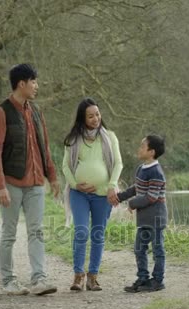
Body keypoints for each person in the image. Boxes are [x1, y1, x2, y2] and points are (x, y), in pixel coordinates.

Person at [0, 63, 60, 296]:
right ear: (22, 83)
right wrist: (0, 187)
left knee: (36, 231)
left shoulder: (36, 111)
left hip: (36, 182)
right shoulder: (1, 113)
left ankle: (39, 279)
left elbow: (44, 147)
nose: (37, 86)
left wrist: (53, 176)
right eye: (34, 81)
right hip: (12, 183)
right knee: (9, 233)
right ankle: (8, 281)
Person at [62, 97, 123, 291]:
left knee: (97, 234)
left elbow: (118, 163)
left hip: (103, 194)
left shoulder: (110, 137)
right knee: (81, 231)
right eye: (90, 116)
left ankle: (93, 277)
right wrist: (75, 185)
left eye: (97, 114)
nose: (95, 118)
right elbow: (65, 165)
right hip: (78, 193)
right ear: (83, 118)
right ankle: (78, 275)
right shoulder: (73, 139)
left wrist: (112, 185)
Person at [117, 135, 167, 292]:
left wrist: (132, 204)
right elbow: (136, 188)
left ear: (151, 152)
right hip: (144, 219)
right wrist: (120, 197)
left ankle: (157, 280)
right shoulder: (141, 169)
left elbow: (151, 197)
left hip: (156, 217)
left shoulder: (156, 172)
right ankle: (143, 278)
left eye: (142, 146)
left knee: (158, 249)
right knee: (139, 248)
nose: (139, 149)